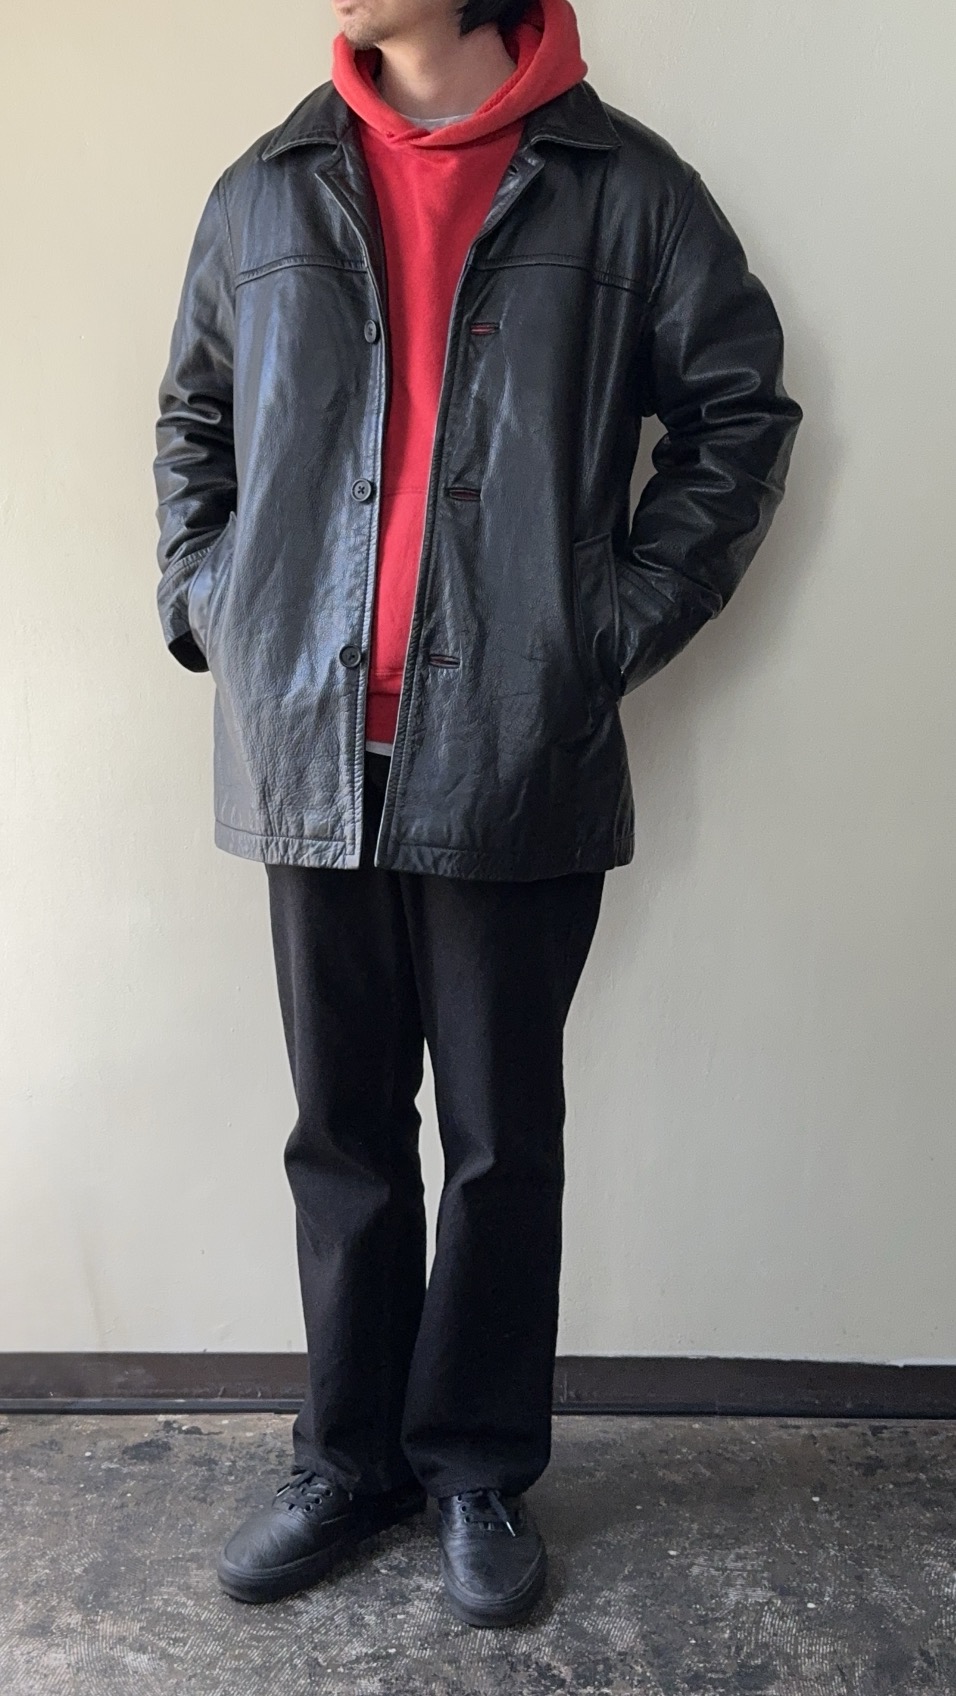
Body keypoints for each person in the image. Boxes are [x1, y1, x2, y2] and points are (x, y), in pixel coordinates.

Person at [152, 0, 802, 1629]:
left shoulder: (626, 190)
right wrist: (213, 606)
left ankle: (477, 1466)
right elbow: (193, 421)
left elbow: (740, 413)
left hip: (513, 742)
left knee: (503, 1140)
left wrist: (604, 630)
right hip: (308, 747)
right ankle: (346, 1459)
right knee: (342, 1131)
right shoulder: (265, 188)